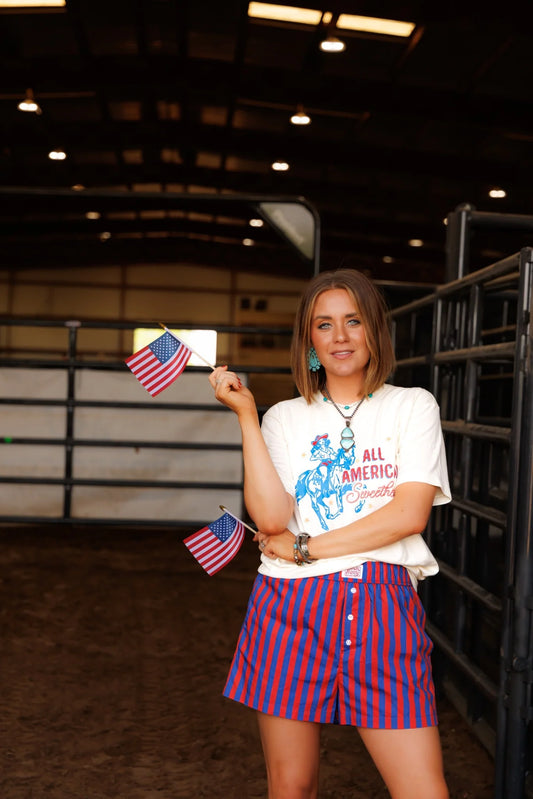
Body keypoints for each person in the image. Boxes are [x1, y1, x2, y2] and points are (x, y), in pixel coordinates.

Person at [209, 268, 451, 799]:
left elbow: (409, 515)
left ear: (374, 332)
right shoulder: (283, 419)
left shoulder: (412, 406)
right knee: (292, 787)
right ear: (310, 340)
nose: (340, 337)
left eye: (353, 322)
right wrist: (248, 416)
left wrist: (305, 547)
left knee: (422, 791)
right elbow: (271, 519)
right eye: (324, 325)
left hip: (381, 606)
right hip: (287, 607)